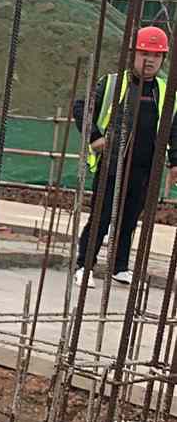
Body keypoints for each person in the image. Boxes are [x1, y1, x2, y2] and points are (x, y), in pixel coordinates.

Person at [75, 23, 177, 282]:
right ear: (133, 54)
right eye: (144, 53)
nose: (149, 60)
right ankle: (84, 266)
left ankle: (119, 267)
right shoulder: (113, 84)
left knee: (129, 220)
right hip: (112, 165)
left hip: (145, 169)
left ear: (163, 58)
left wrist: (175, 162)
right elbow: (81, 108)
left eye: (156, 55)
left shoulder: (165, 92)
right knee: (101, 217)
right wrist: (95, 137)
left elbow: (174, 129)